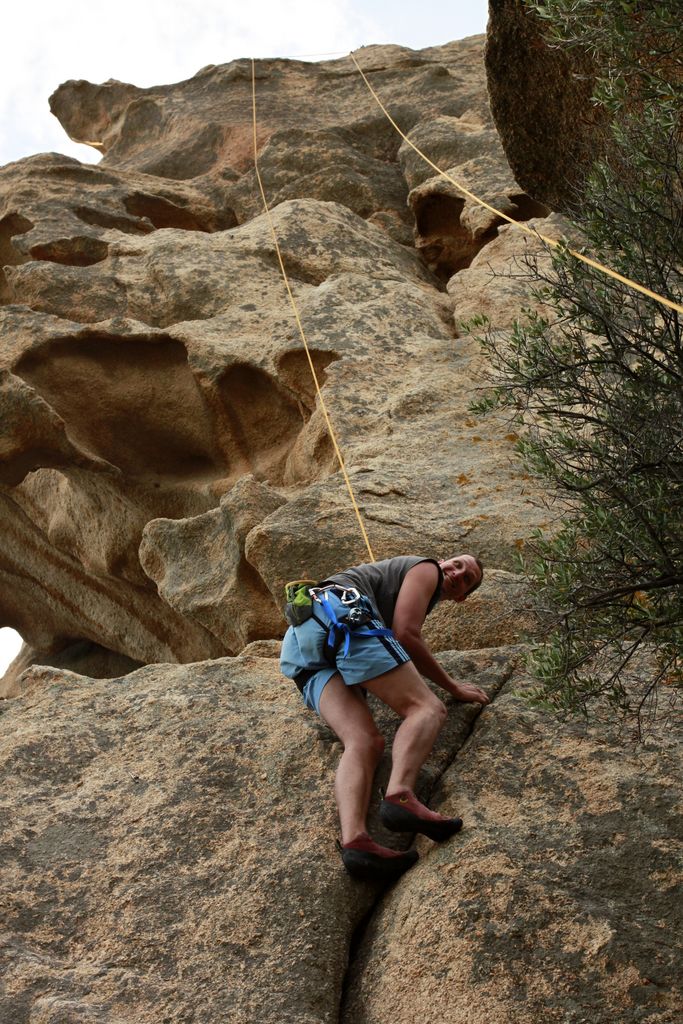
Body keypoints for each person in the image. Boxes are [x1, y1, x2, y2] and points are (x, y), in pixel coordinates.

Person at [280, 554, 489, 881]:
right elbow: (405, 633)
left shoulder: (410, 579)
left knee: (363, 741)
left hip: (302, 638)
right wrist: (453, 687)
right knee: (427, 709)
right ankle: (400, 796)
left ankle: (356, 844)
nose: (455, 572)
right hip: (342, 613)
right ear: (444, 560)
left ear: (461, 597)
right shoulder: (426, 568)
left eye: (465, 578)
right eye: (457, 564)